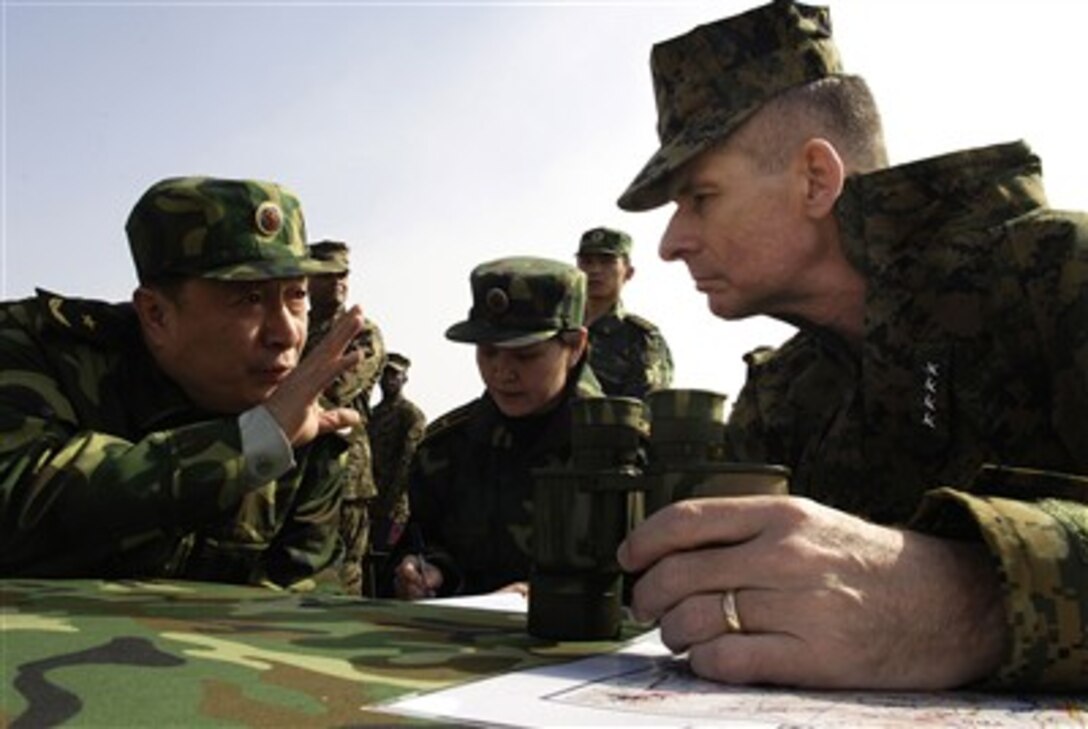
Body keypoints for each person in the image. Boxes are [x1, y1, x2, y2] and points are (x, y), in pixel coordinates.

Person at [613, 0, 1086, 692]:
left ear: (815, 178)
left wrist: (970, 602)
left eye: (701, 197)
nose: (671, 241)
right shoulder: (785, 394)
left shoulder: (1058, 279)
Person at [0, 176, 366, 588]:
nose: (286, 334)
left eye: (296, 296)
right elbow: (18, 499)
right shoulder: (38, 349)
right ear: (156, 315)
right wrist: (249, 445)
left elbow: (305, 610)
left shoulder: (307, 426)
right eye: (249, 299)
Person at [393, 256, 602, 599]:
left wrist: (553, 597)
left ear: (575, 347)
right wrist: (428, 571)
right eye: (488, 353)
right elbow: (421, 540)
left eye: (526, 356)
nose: (502, 373)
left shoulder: (625, 452)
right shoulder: (445, 449)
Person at [306, 239, 386, 596]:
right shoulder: (293, 329)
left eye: (343, 274)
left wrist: (283, 396)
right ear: (308, 280)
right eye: (328, 275)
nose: (338, 281)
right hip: (295, 468)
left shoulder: (361, 331)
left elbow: (337, 388)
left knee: (345, 573)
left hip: (345, 471)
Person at [575, 226, 674, 399]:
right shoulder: (556, 327)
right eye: (587, 262)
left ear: (628, 273)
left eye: (607, 262)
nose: (595, 270)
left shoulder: (641, 338)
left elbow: (647, 411)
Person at [366, 352, 427, 594]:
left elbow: (408, 463)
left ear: (405, 379)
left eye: (395, 374)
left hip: (393, 508)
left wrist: (387, 504)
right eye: (385, 374)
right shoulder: (373, 414)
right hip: (368, 502)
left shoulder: (410, 414)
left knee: (389, 566)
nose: (388, 379)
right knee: (367, 564)